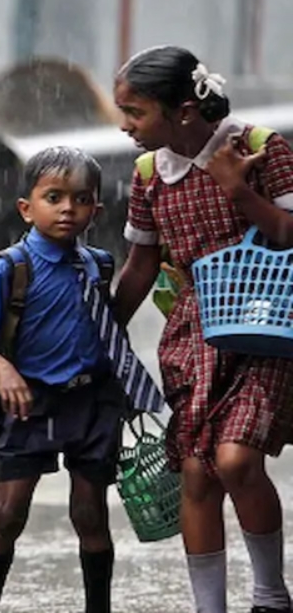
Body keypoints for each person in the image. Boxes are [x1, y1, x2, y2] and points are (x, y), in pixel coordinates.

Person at [111, 45, 293, 613]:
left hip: (268, 319)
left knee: (237, 458)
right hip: (195, 332)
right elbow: (140, 265)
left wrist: (238, 188)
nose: (126, 126)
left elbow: (288, 233)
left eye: (136, 113)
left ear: (185, 110)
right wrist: (103, 334)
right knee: (196, 470)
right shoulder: (149, 175)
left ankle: (270, 594)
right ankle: (208, 607)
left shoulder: (260, 149)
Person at [0, 147, 122, 613]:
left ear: (97, 209)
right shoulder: (9, 269)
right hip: (30, 402)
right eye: (54, 197)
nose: (68, 209)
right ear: (26, 208)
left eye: (82, 199)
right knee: (7, 513)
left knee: (91, 513)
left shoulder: (99, 264)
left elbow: (107, 329)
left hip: (90, 401)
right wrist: (2, 368)